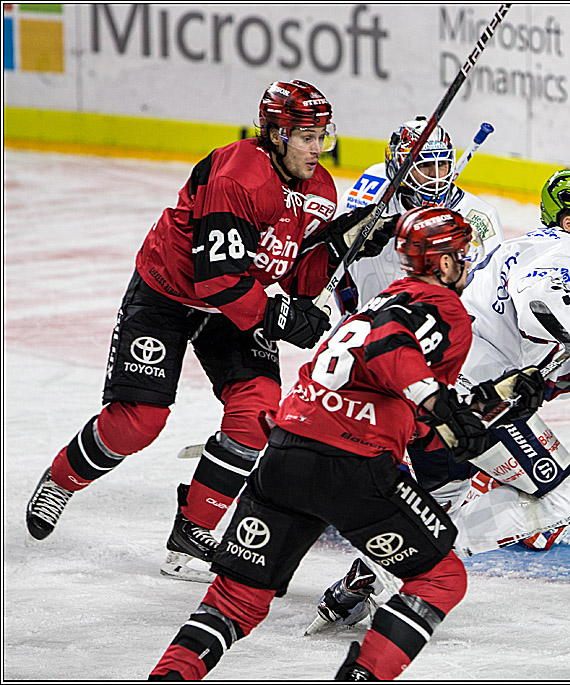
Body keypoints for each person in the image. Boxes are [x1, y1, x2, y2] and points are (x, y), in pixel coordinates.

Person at [24, 79, 397, 582]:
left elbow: (293, 276)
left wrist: (337, 246)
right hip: (169, 293)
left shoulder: (320, 191)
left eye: (321, 137)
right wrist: (281, 318)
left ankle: (191, 533)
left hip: (234, 306)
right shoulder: (239, 176)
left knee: (257, 413)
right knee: (138, 421)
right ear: (276, 134)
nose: (317, 149)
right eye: (306, 138)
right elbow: (217, 277)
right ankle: (62, 479)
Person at [149, 206, 489, 681]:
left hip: (286, 452)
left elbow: (405, 397)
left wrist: (477, 406)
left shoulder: (381, 300)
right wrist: (437, 402)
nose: (468, 262)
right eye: (462, 254)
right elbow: (389, 347)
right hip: (351, 464)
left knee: (236, 600)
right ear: (445, 263)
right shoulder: (443, 307)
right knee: (441, 578)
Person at [308, 169, 570, 632]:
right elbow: (540, 303)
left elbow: (538, 363)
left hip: (433, 393)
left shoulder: (523, 248)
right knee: (562, 498)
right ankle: (408, 565)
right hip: (472, 400)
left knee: (444, 500)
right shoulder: (562, 253)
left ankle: (358, 585)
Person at [333, 116, 504, 317]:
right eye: (424, 165)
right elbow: (340, 266)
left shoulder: (479, 217)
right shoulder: (368, 198)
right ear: (399, 167)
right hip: (372, 323)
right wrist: (352, 313)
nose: (435, 176)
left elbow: (490, 296)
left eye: (442, 164)